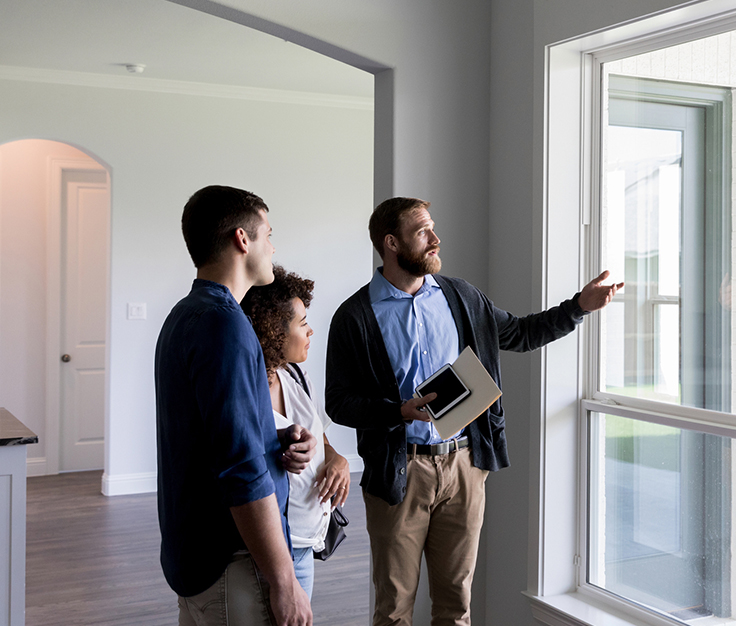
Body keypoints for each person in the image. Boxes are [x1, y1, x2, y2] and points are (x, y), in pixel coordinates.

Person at [325, 197, 623, 626]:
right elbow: (338, 401)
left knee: (456, 605)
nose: (436, 239)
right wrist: (399, 410)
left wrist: (579, 306)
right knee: (393, 610)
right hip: (399, 472)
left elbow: (520, 333)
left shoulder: (461, 297)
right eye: (423, 231)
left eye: (433, 229)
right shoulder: (355, 316)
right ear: (391, 243)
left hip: (465, 466)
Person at [155, 185, 317, 626]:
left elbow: (204, 435)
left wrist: (274, 436)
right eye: (268, 233)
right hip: (232, 565)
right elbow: (239, 469)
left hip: (195, 558)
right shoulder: (226, 326)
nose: (273, 246)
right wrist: (285, 579)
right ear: (243, 239)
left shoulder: (184, 316)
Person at [242, 265, 353, 599]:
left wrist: (337, 460)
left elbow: (321, 437)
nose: (310, 332)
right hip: (271, 554)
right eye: (302, 323)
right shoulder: (246, 389)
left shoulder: (295, 376)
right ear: (274, 330)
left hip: (307, 545)